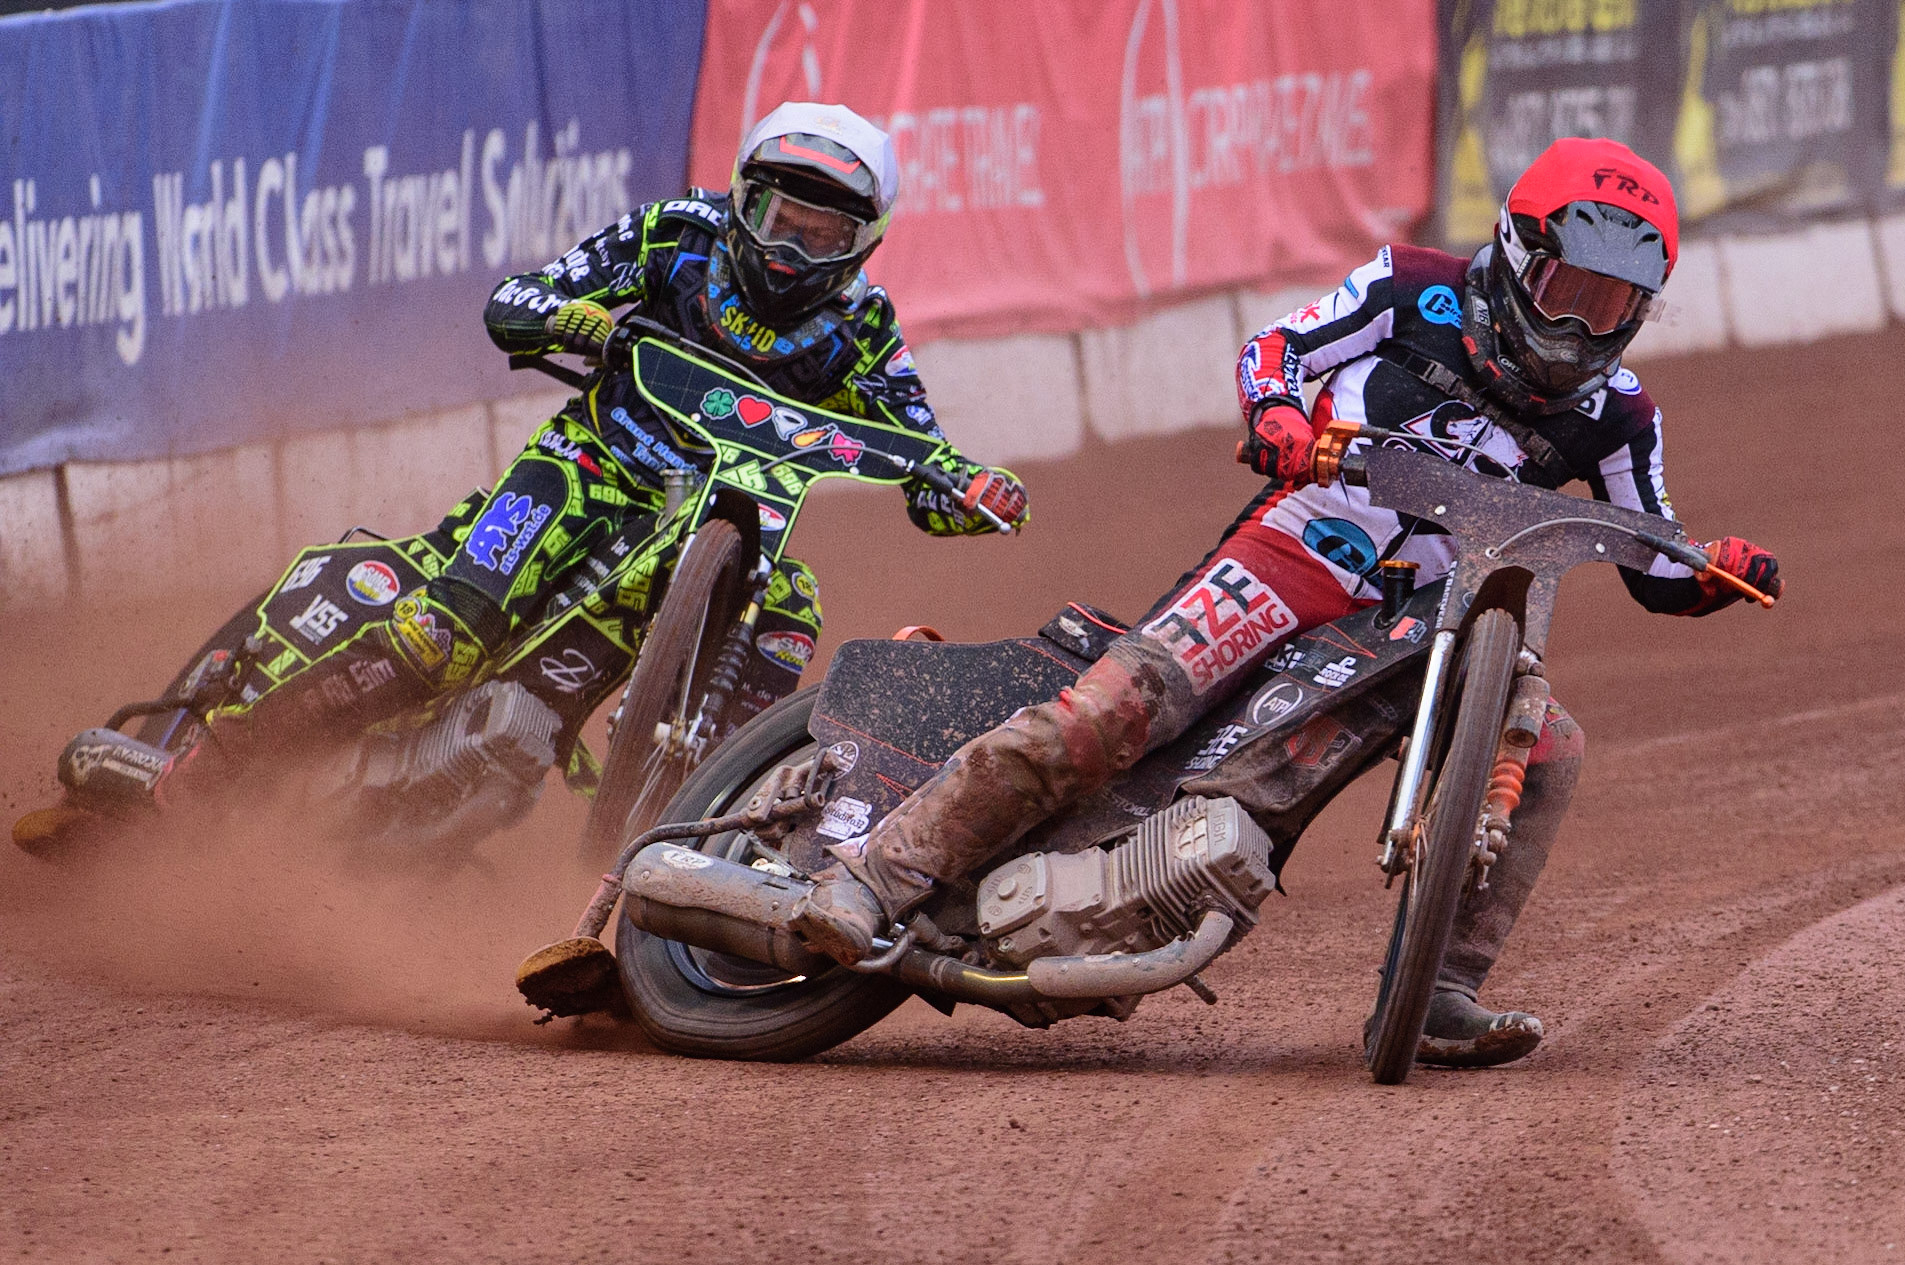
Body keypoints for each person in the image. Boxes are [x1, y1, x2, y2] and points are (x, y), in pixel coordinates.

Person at [787, 137, 1781, 1069]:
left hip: (1442, 613)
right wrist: (1277, 416)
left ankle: (1438, 989)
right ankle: (875, 875)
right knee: (1111, 716)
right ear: (1519, 255)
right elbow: (1280, 349)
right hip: (1299, 548)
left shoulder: (1621, 413)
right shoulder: (1408, 289)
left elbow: (1656, 555)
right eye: (1568, 291)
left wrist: (1714, 571)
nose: (1578, 327)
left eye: (1612, 307)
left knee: (1551, 747)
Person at [15, 102, 1028, 842]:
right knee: (444, 634)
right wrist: (569, 315)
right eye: (776, 215)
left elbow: (920, 453)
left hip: (734, 524)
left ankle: (699, 841)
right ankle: (205, 774)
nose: (792, 247)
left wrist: (969, 488)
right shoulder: (674, 235)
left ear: (863, 246)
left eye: (825, 232)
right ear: (741, 199)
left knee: (795, 604)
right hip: (587, 470)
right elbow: (521, 296)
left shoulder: (865, 328)